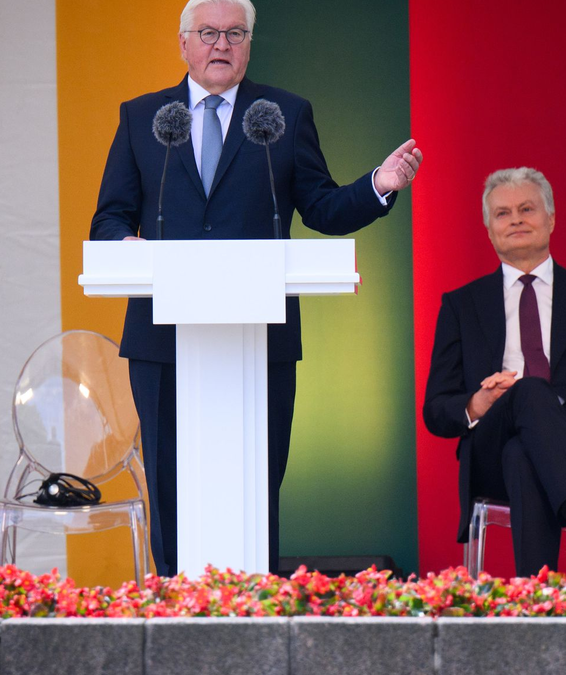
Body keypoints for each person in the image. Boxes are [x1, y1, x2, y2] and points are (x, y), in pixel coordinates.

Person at [89, 0, 421, 576]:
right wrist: (127, 247)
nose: (222, 44)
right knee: (168, 488)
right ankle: (173, 607)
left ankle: (256, 613)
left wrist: (377, 185)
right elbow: (110, 217)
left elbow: (320, 208)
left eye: (235, 33)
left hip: (259, 334)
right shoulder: (142, 116)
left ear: (248, 44)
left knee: (256, 482)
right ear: (184, 43)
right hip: (162, 338)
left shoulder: (284, 116)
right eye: (209, 33)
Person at [422, 167, 566, 577]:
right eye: (503, 213)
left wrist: (545, 399)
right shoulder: (461, 305)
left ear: (551, 219)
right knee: (520, 417)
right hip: (490, 446)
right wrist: (478, 403)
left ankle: (532, 598)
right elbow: (436, 409)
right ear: (489, 230)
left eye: (527, 209)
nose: (516, 219)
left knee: (523, 447)